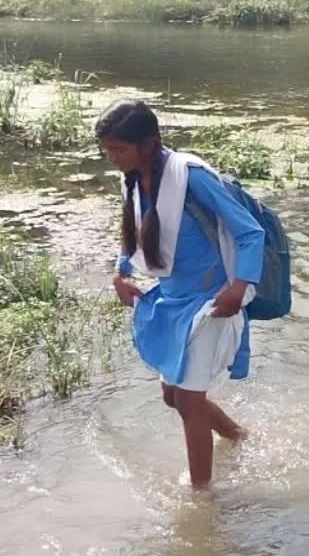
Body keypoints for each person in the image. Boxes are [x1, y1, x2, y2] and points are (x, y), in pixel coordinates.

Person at [100, 99, 266, 489]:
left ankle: (202, 499)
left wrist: (238, 287)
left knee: (189, 402)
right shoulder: (135, 178)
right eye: (107, 150)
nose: (112, 158)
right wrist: (120, 273)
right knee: (172, 396)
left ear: (150, 143)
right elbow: (137, 232)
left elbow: (250, 233)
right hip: (173, 297)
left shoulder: (191, 178)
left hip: (210, 301)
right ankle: (239, 437)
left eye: (119, 150)